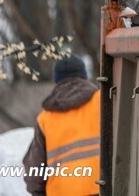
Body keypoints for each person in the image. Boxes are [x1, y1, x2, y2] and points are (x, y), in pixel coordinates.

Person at [23, 55, 100, 195]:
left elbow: (34, 169)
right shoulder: (101, 102)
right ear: (84, 75)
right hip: (100, 189)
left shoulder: (45, 119)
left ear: (57, 80)